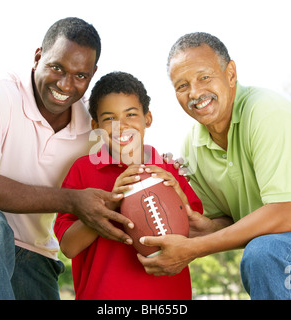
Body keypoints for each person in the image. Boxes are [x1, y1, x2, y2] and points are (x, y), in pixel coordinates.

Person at [137, 32, 291, 300]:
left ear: (231, 74)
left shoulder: (267, 111)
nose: (195, 93)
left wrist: (194, 248)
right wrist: (196, 225)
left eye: (204, 77)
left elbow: (285, 216)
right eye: (182, 86)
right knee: (266, 253)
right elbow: (229, 222)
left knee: (263, 253)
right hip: (283, 254)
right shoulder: (192, 146)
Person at [0, 17, 134, 300]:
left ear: (92, 74)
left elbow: (129, 168)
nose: (65, 83)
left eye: (80, 76)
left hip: (34, 252)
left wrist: (168, 167)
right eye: (57, 67)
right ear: (38, 57)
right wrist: (71, 201)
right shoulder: (1, 92)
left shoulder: (91, 128)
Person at [54, 71, 203, 299]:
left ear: (148, 119)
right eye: (109, 118)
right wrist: (113, 202)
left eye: (131, 114)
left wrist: (179, 198)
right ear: (96, 125)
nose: (121, 126)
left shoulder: (169, 171)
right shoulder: (83, 170)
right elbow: (68, 246)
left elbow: (197, 237)